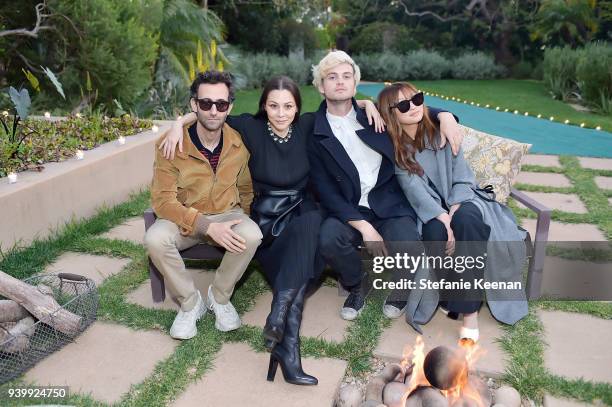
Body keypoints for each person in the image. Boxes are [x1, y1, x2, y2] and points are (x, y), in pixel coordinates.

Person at [160, 76, 383, 385]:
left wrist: (366, 102)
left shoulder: (307, 126)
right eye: (274, 106)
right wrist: (176, 125)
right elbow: (210, 111)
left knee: (310, 227)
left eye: (288, 106)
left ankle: (282, 329)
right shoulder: (249, 128)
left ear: (297, 108)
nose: (281, 113)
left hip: (302, 217)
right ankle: (284, 337)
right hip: (266, 225)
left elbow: (339, 103)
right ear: (264, 106)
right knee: (299, 270)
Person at [304, 51, 463, 322]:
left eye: (346, 76)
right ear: (321, 86)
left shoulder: (374, 115)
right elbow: (325, 190)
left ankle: (402, 285)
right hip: (350, 208)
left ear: (356, 83)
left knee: (411, 247)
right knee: (328, 239)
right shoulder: (314, 129)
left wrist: (446, 115)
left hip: (389, 202)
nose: (340, 82)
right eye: (332, 77)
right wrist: (364, 227)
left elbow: (411, 110)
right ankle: (358, 282)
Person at [377, 82, 528, 341]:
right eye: (403, 105)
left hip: (465, 198)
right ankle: (448, 295)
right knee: (435, 233)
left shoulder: (442, 132)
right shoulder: (397, 150)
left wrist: (456, 209)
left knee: (468, 222)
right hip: (430, 211)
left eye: (417, 99)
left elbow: (462, 175)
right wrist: (444, 219)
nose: (413, 107)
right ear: (393, 114)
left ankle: (469, 312)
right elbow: (415, 192)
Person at [144, 70, 263, 341]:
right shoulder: (171, 144)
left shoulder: (239, 143)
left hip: (227, 213)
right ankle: (189, 303)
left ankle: (219, 297)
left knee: (252, 234)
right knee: (155, 239)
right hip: (184, 217)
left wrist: (242, 215)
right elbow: (162, 201)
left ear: (229, 107)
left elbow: (245, 187)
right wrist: (206, 226)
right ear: (194, 105)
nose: (213, 111)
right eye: (205, 103)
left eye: (220, 105)